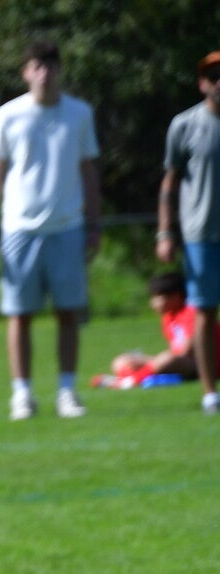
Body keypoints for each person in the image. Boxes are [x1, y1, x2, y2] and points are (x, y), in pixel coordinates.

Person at [0, 39, 101, 421]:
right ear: (26, 72)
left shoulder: (79, 113)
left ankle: (67, 391)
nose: (44, 73)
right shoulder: (8, 115)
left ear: (59, 70)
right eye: (37, 66)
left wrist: (94, 225)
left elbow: (88, 172)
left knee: (68, 313)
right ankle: (22, 394)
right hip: (19, 229)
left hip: (67, 227)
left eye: (50, 65)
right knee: (20, 315)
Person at [158, 50, 220, 415]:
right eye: (214, 77)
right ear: (202, 84)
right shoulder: (184, 125)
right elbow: (170, 181)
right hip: (202, 235)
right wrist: (165, 232)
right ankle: (210, 392)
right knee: (205, 312)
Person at [94, 272, 214, 387]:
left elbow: (184, 352)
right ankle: (136, 378)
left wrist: (157, 361)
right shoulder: (168, 317)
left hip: (203, 364)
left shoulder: (192, 313)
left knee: (167, 359)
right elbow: (174, 348)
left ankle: (129, 381)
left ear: (176, 296)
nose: (154, 303)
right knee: (122, 361)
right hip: (177, 361)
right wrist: (150, 362)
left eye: (158, 298)